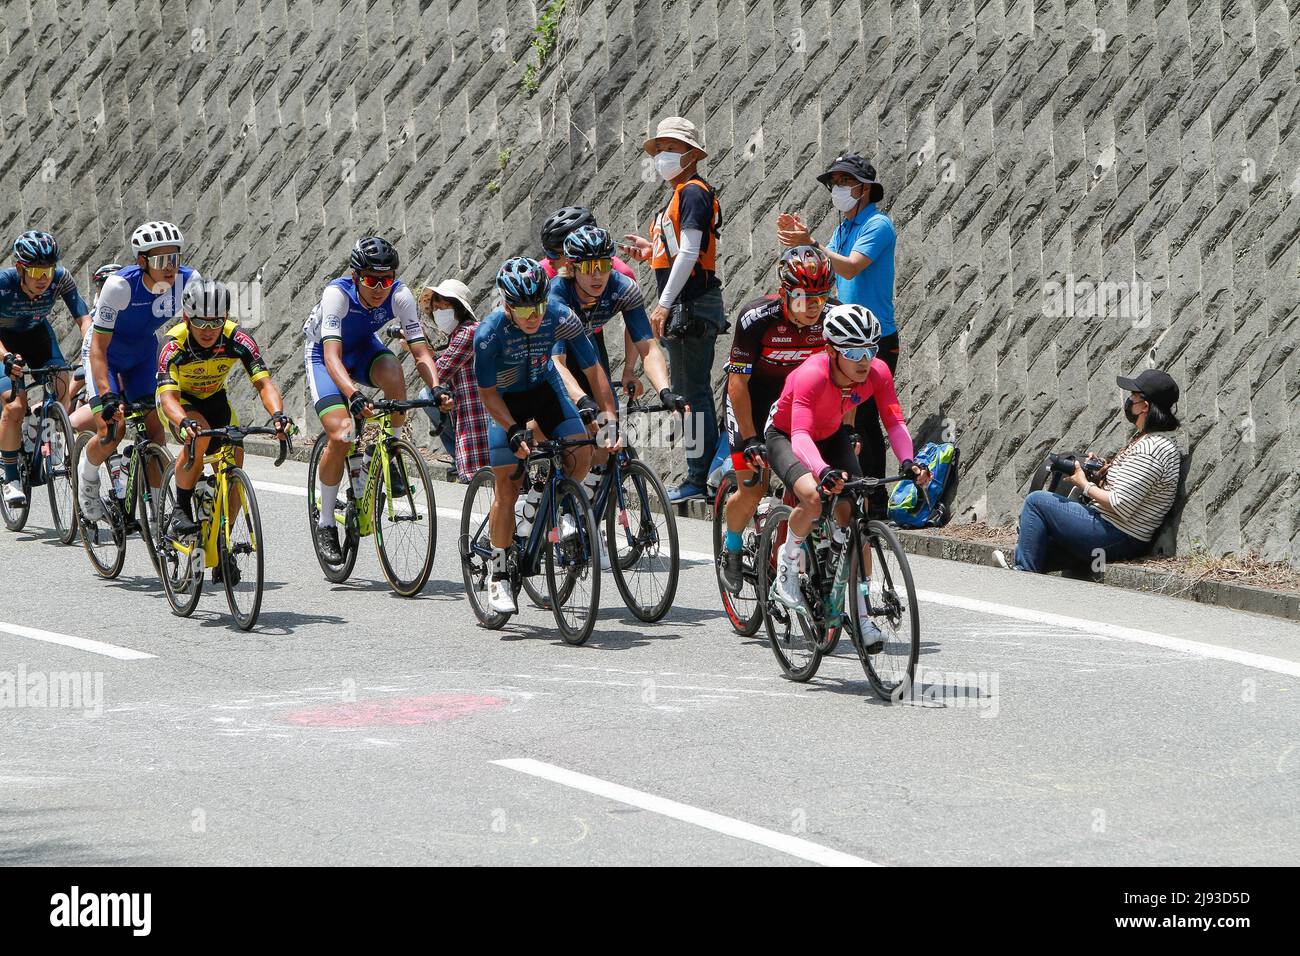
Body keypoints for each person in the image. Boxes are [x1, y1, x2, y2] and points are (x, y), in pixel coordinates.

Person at [764, 304, 928, 647]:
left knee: (854, 513)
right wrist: (822, 471)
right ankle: (786, 563)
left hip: (831, 433)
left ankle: (860, 612)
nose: (864, 360)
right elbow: (801, 437)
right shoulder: (812, 375)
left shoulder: (878, 373)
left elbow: (894, 422)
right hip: (787, 434)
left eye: (870, 349)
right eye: (853, 351)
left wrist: (910, 461)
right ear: (830, 350)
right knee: (811, 496)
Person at [475, 256, 618, 614]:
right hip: (506, 403)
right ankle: (498, 574)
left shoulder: (559, 315)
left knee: (581, 449)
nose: (534, 316)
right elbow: (488, 394)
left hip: (544, 391)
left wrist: (608, 418)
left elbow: (592, 367)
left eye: (538, 306)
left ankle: (559, 506)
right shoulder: (489, 333)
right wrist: (510, 430)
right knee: (506, 488)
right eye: (524, 311)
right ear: (507, 306)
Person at [303, 236, 453, 564]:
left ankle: (389, 450)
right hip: (325, 355)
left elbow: (419, 349)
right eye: (371, 280)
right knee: (342, 433)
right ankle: (326, 521)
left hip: (362, 348)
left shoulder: (400, 295)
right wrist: (354, 395)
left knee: (394, 373)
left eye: (385, 279)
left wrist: (438, 387)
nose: (379, 288)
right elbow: (331, 356)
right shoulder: (337, 295)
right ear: (356, 276)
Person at [717, 246, 836, 593]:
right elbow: (737, 383)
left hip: (796, 405)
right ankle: (733, 545)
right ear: (785, 292)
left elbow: (843, 380)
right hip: (751, 400)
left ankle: (782, 555)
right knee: (752, 488)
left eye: (821, 296)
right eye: (804, 297)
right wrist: (752, 438)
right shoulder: (756, 318)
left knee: (805, 484)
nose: (814, 306)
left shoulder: (833, 319)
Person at [778, 154, 898, 496]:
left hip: (875, 337)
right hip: (841, 335)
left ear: (865, 189)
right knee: (838, 414)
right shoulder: (843, 227)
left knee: (865, 415)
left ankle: (874, 498)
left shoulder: (878, 225)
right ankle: (841, 485)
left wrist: (811, 243)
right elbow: (827, 272)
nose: (838, 189)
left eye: (846, 183)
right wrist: (802, 249)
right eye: (836, 183)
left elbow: (850, 267)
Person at [156, 279, 294, 572]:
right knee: (200, 434)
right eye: (200, 323)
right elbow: (168, 397)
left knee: (234, 457)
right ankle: (180, 507)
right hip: (180, 402)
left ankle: (221, 540)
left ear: (226, 317)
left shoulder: (238, 340)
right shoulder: (173, 344)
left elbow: (264, 384)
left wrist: (279, 415)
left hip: (216, 399)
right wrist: (182, 420)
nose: (208, 331)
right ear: (186, 319)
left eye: (216, 322)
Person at [622, 116, 726, 502]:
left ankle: (700, 478)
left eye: (672, 148)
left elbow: (692, 251)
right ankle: (705, 474)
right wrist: (650, 253)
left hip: (690, 304)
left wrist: (663, 304)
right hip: (690, 302)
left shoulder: (694, 191)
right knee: (690, 389)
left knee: (690, 392)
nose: (664, 155)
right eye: (661, 148)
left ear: (690, 154)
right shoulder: (681, 193)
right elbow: (678, 252)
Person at [995, 369, 1183, 574]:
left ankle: (1022, 574)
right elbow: (1129, 484)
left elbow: (1119, 503)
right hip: (1115, 530)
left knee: (1037, 501)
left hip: (1117, 534)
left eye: (1133, 397)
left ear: (1144, 406)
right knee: (1040, 542)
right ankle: (1022, 570)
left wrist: (1084, 484)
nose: (1128, 401)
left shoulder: (1152, 449)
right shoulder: (1147, 439)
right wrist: (1102, 468)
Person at [77, 221, 195, 522]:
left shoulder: (189, 280)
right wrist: (106, 395)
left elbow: (193, 334)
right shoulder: (120, 286)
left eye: (174, 259)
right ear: (142, 262)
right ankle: (87, 477)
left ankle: (157, 513)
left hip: (143, 353)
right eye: (160, 261)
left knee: (155, 431)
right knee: (111, 431)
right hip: (107, 354)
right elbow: (99, 349)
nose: (170, 268)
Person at [0, 231, 89, 507]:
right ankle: (10, 477)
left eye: (48, 269)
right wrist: (6, 358)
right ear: (20, 269)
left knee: (62, 379)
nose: (43, 278)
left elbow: (84, 319)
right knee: (14, 406)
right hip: (3, 343)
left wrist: (91, 351)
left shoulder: (61, 278)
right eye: (36, 271)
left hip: (36, 334)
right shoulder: (3, 284)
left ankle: (41, 425)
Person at [416, 278, 489, 482]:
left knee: (427, 394)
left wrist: (419, 351)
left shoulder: (468, 333)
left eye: (445, 304)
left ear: (459, 307)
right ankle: (457, 458)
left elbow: (437, 373)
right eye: (436, 306)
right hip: (473, 412)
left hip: (477, 418)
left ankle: (458, 458)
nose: (439, 310)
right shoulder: (464, 332)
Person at [68, 263, 125, 434]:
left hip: (125, 386)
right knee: (72, 419)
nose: (106, 292)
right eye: (102, 286)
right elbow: (87, 359)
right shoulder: (96, 317)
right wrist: (66, 397)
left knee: (76, 423)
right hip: (105, 385)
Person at [538, 206, 636, 281]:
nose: (549, 259)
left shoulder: (621, 275)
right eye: (547, 252)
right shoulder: (541, 274)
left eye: (554, 254)